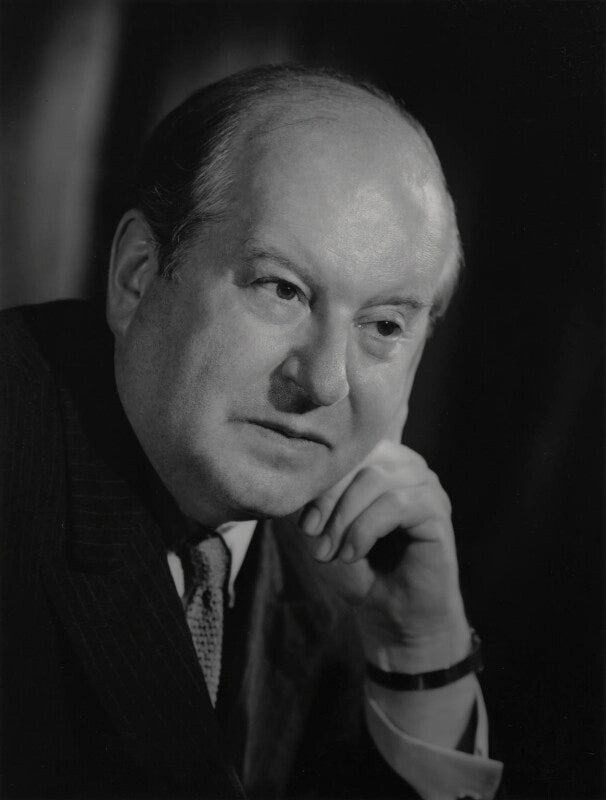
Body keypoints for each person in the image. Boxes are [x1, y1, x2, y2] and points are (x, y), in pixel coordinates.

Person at [0, 64, 503, 799]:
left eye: (384, 326)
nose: (324, 381)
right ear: (138, 275)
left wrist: (419, 648)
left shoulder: (342, 565)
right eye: (282, 289)